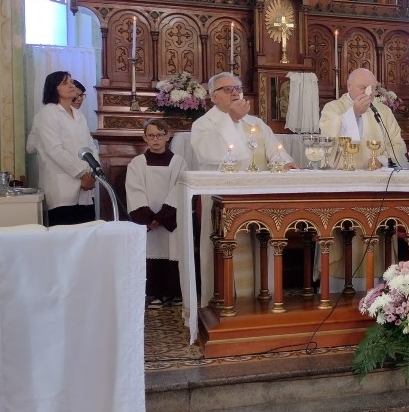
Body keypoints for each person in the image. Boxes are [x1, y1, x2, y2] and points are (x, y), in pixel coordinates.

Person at [126, 119, 186, 308]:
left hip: (169, 219)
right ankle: (154, 293)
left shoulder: (178, 162)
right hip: (149, 221)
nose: (155, 139)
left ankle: (173, 292)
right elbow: (134, 190)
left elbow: (179, 188)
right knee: (151, 251)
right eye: (151, 135)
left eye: (160, 135)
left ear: (167, 137)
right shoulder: (137, 163)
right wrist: (148, 218)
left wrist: (162, 217)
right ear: (145, 138)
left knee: (173, 251)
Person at [190, 71, 297, 171]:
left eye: (238, 88)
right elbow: (206, 154)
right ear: (214, 97)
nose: (235, 93)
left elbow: (275, 150)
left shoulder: (256, 123)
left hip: (258, 183)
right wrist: (231, 119)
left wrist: (285, 163)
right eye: (228, 89)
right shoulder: (202, 124)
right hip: (224, 183)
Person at [30, 71, 98, 226]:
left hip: (86, 188)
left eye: (71, 82)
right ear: (54, 88)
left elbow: (90, 146)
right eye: (65, 83)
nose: (71, 85)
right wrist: (82, 174)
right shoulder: (48, 113)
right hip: (62, 188)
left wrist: (94, 171)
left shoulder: (79, 115)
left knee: (87, 234)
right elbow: (54, 149)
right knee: (65, 235)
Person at [320, 68, 409, 168]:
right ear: (349, 86)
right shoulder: (333, 108)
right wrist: (354, 114)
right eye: (363, 88)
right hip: (344, 173)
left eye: (372, 88)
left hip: (377, 175)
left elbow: (397, 144)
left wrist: (382, 161)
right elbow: (328, 140)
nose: (368, 93)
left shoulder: (384, 111)